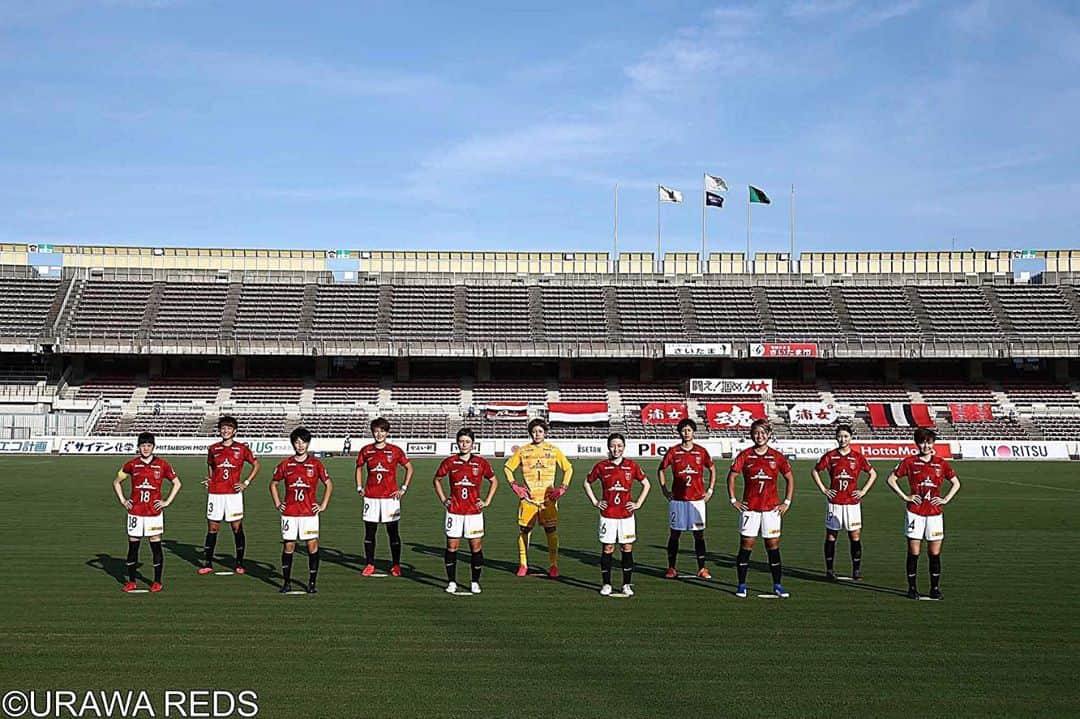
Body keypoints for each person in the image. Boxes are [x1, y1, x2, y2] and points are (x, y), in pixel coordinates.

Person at [886, 428, 961, 600]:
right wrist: (905, 496)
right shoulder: (909, 462)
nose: (925, 445)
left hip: (935, 514)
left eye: (929, 441)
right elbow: (891, 479)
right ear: (917, 443)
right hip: (915, 513)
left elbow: (956, 483)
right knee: (914, 552)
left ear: (933, 443)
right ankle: (912, 588)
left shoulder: (941, 463)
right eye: (922, 441)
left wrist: (945, 499)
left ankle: (935, 588)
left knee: (934, 553)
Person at [728, 419, 795, 598]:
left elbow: (789, 478)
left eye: (763, 433)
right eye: (756, 433)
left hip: (772, 510)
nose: (760, 436)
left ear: (769, 435)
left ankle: (778, 585)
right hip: (750, 509)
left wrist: (786, 502)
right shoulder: (745, 455)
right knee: (746, 546)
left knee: (772, 547)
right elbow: (732, 476)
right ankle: (741, 585)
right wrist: (734, 499)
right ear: (751, 435)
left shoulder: (777, 456)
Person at [503, 418, 573, 577]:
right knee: (524, 530)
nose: (537, 434)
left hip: (548, 500)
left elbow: (568, 469)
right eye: (534, 431)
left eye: (540, 431)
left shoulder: (554, 450)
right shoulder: (523, 451)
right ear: (530, 433)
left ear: (545, 432)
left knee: (551, 531)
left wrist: (562, 488)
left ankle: (553, 565)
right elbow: (508, 468)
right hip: (528, 500)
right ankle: (523, 564)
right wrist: (515, 486)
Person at [112, 432, 181, 592]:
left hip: (153, 513)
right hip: (135, 512)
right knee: (133, 547)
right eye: (143, 445)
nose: (146, 448)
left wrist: (166, 502)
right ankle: (131, 581)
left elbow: (177, 483)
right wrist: (123, 500)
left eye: (149, 445)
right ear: (138, 447)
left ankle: (157, 581)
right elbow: (116, 482)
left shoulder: (162, 465)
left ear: (153, 447)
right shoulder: (131, 464)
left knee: (155, 547)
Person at [584, 433, 650, 597]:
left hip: (626, 515)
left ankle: (626, 584)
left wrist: (638, 503)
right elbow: (587, 482)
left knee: (626, 547)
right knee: (608, 548)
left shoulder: (632, 466)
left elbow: (646, 484)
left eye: (619, 445)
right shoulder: (601, 466)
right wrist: (595, 501)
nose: (616, 449)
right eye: (613, 445)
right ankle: (606, 584)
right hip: (608, 514)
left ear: (624, 447)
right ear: (608, 446)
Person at [433, 428, 497, 594]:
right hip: (454, 511)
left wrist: (487, 501)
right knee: (451, 547)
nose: (464, 444)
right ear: (457, 443)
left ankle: (475, 581)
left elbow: (494, 481)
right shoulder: (450, 461)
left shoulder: (481, 463)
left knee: (475, 547)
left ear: (472, 444)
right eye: (461, 441)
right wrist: (443, 499)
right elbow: (437, 479)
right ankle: (452, 581)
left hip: (474, 512)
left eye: (467, 441)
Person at [270, 427, 333, 594]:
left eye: (303, 442)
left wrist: (323, 504)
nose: (300, 445)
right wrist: (278, 503)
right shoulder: (285, 464)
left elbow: (328, 484)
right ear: (293, 444)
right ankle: (286, 583)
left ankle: (312, 583)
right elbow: (273, 483)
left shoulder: (316, 464)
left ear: (308, 443)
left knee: (312, 546)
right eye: (297, 442)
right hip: (289, 513)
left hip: (309, 513)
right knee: (288, 547)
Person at [811, 424, 877, 580]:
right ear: (836, 437)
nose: (842, 439)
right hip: (834, 502)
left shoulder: (858, 457)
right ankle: (829, 570)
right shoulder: (830, 456)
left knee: (854, 536)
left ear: (851, 438)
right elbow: (815, 471)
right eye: (840, 436)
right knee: (831, 536)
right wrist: (824, 489)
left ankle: (856, 570)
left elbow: (873, 474)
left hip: (852, 503)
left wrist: (863, 491)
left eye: (846, 436)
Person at [656, 418, 716, 579]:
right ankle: (671, 568)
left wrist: (710, 490)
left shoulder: (701, 451)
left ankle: (702, 568)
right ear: (679, 432)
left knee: (699, 534)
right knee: (675, 534)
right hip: (678, 502)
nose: (686, 433)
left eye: (689, 430)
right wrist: (664, 490)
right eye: (683, 430)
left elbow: (712, 468)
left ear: (693, 432)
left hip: (697, 502)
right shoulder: (673, 451)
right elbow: (660, 469)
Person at [200, 416, 260, 575]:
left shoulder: (241, 448)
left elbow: (256, 464)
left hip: (233, 494)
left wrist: (245, 482)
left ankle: (239, 563)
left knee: (236, 527)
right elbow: (211, 466)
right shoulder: (213, 448)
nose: (225, 430)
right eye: (223, 428)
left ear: (234, 431)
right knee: (213, 528)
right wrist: (210, 479)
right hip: (215, 494)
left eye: (229, 428)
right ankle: (208, 563)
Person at [355, 417, 414, 576]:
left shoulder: (395, 450)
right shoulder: (366, 450)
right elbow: (359, 468)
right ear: (372, 432)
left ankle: (396, 565)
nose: (379, 434)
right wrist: (359, 487)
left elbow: (409, 468)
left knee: (393, 532)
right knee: (369, 533)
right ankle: (370, 563)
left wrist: (403, 488)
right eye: (376, 431)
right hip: (371, 498)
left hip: (390, 499)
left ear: (387, 432)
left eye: (382, 431)